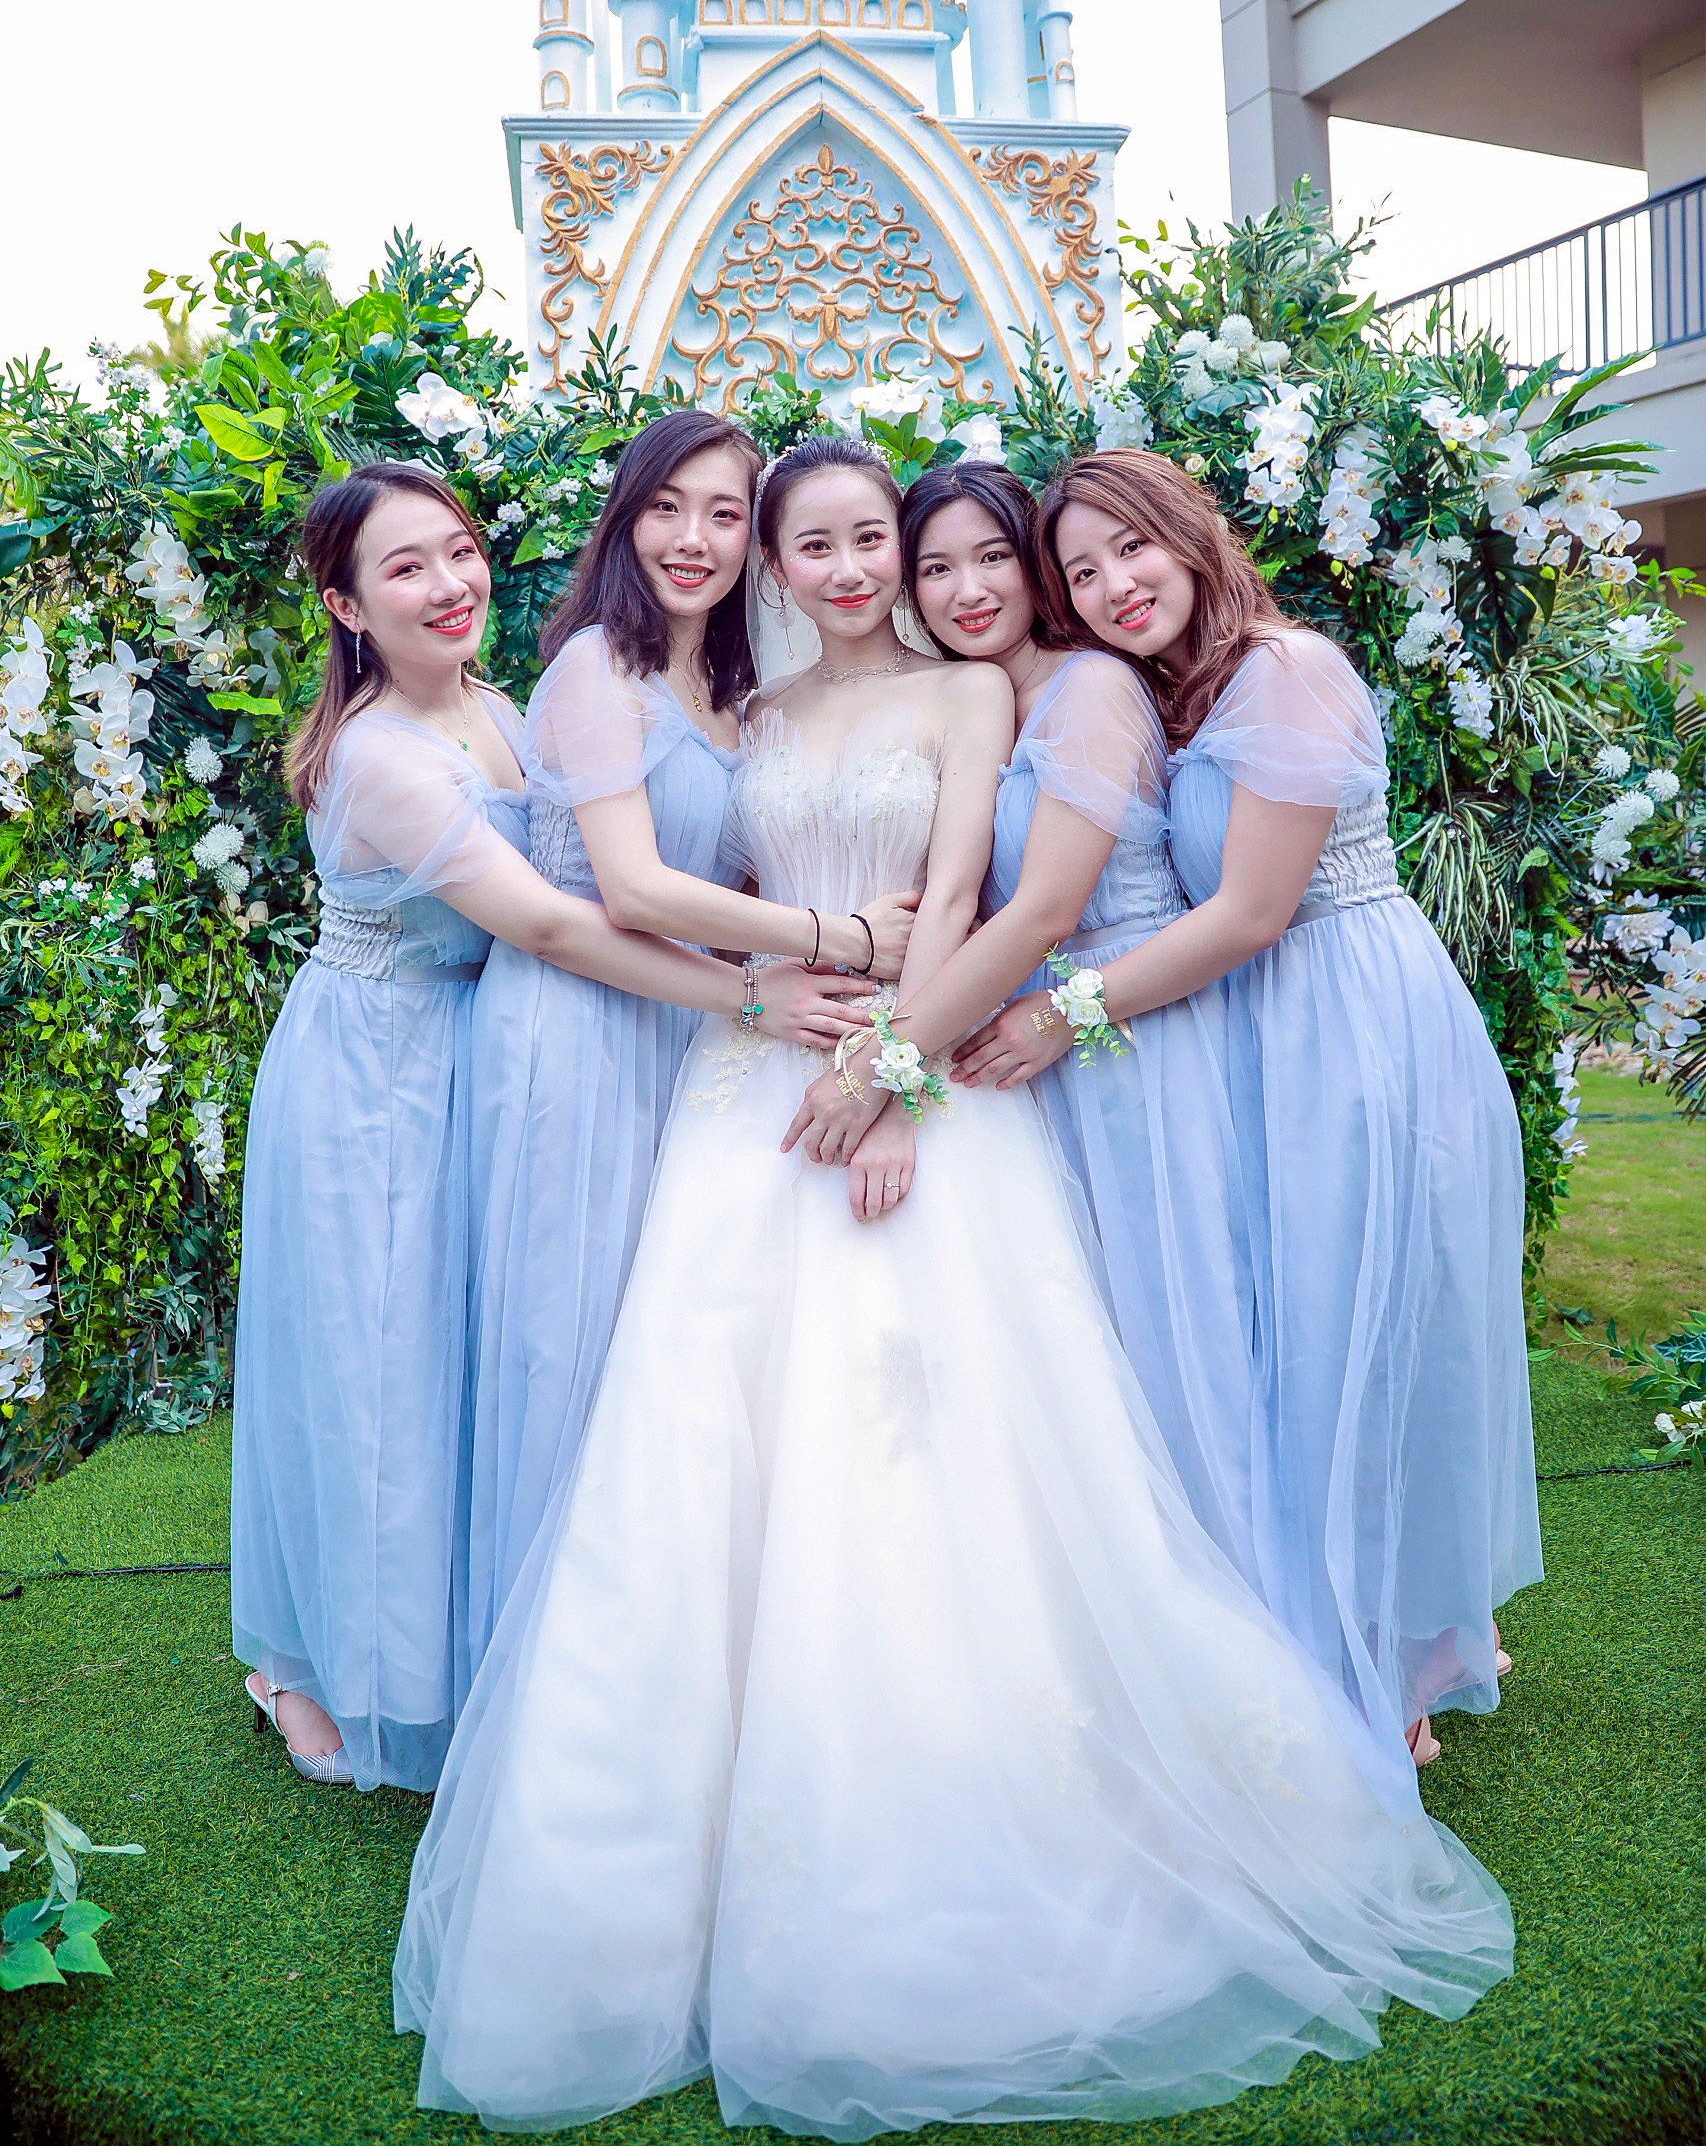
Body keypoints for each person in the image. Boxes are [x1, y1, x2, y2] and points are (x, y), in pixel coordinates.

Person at [393, 434, 1512, 2137]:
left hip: (909, 1082)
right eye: (820, 545)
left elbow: (973, 896)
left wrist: (898, 1085)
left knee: (959, 1456)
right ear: (777, 567)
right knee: (694, 1453)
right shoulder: (750, 715)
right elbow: (727, 895)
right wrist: (789, 1009)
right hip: (747, 1095)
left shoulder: (972, 694)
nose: (856, 571)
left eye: (879, 541)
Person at [233, 459, 866, 1790]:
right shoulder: (378, 754)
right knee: (370, 1368)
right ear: (347, 605)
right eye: (405, 567)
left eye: (458, 552)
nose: (448, 584)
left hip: (475, 1039)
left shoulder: (495, 705)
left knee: (456, 1366)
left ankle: (476, 1648)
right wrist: (762, 987)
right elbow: (552, 920)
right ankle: (310, 1665)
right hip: (375, 1068)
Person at [953, 447, 1540, 1763]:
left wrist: (1058, 1013)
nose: (1112, 586)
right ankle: (1382, 1625)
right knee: (1301, 1338)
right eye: (1080, 572)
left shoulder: (1286, 670)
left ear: (1190, 534)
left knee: (1355, 1337)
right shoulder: (1173, 692)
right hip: (1255, 1029)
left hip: (1347, 1019)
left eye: (1131, 548)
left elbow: (1251, 911)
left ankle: (1387, 1664)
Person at [461, 412, 917, 1678]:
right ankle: (532, 1672)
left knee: (651, 1355)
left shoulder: (723, 690)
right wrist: (834, 935)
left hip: (689, 1025)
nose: (693, 538)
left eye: (724, 513)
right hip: (573, 1029)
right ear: (626, 515)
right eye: (669, 506)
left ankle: (656, 1654)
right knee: (562, 1339)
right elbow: (634, 887)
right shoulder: (594, 670)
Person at [862, 461, 1259, 1585]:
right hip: (1033, 1052)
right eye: (935, 568)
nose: (966, 590)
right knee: (1098, 1360)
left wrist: (887, 1073)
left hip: (1129, 1038)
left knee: (1179, 1336)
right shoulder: (983, 705)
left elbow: (1043, 908)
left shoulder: (1089, 686)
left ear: (1033, 570)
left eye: (992, 557)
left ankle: (1252, 1611)